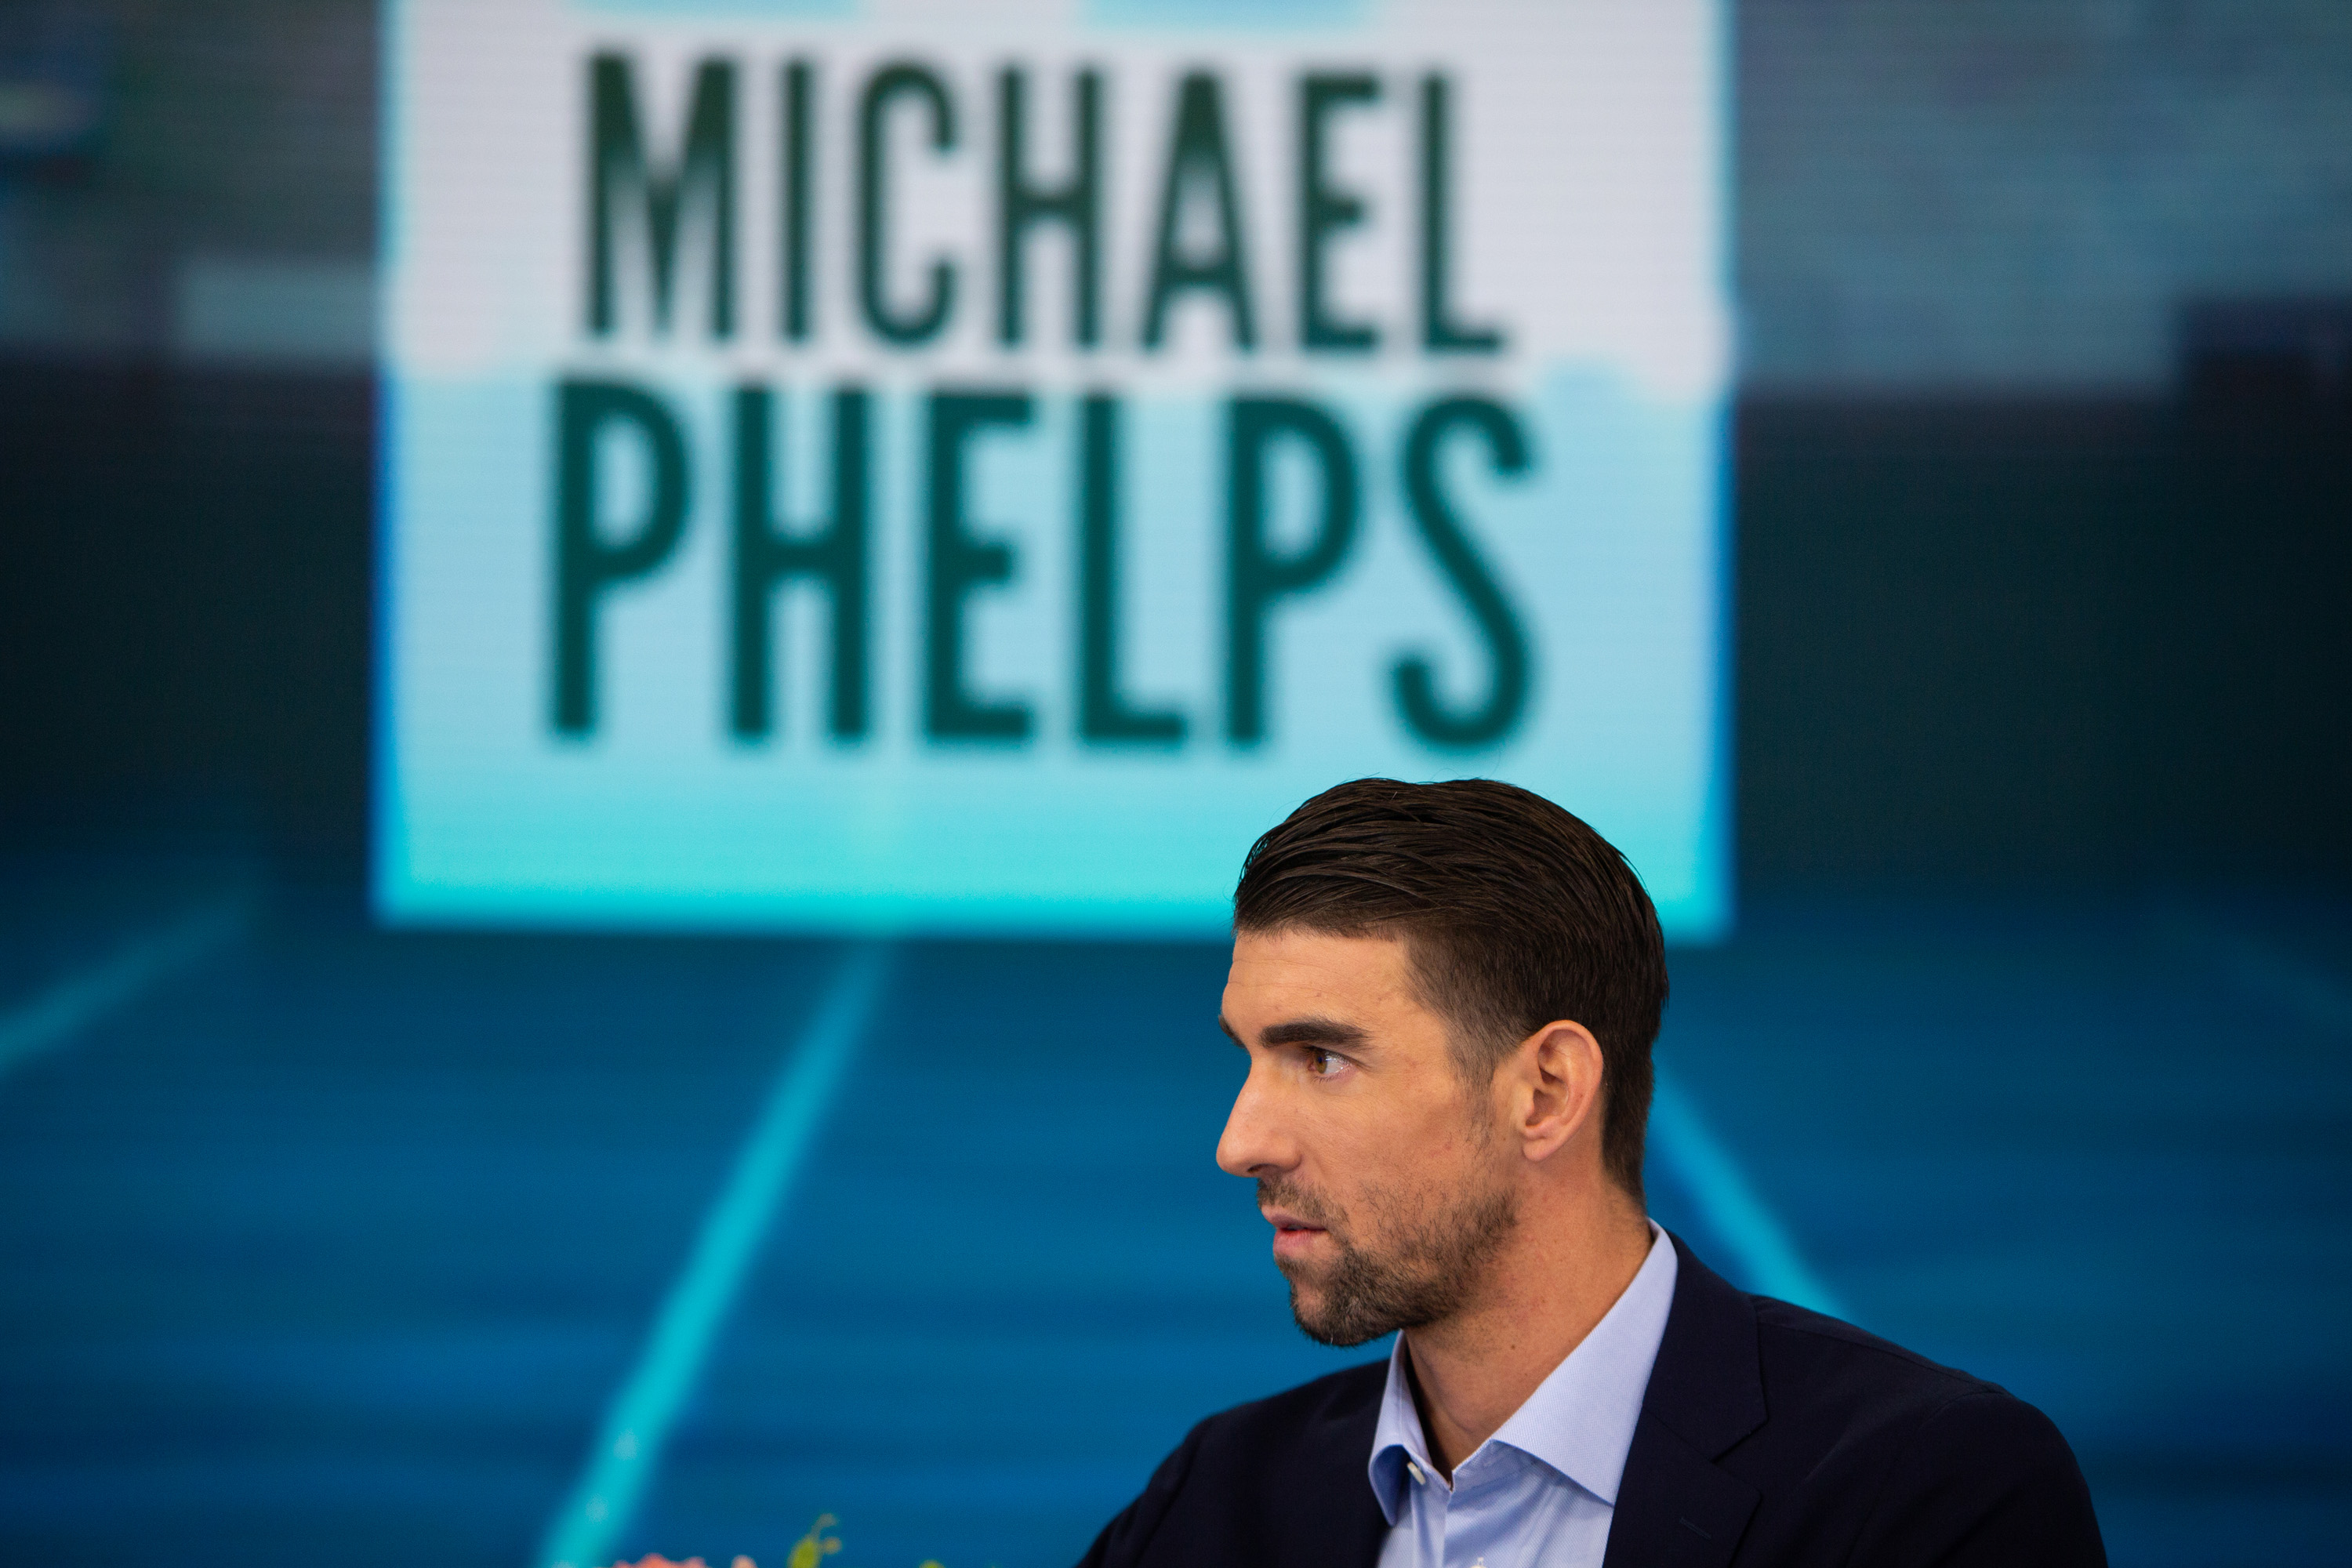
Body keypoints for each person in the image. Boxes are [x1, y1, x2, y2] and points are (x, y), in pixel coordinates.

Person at [1078, 778, 2104, 1567]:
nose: (1240, 1141)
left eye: (1324, 1059)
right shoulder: (1215, 1501)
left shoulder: (1928, 1496)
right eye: (1248, 1058)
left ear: (1546, 1092)